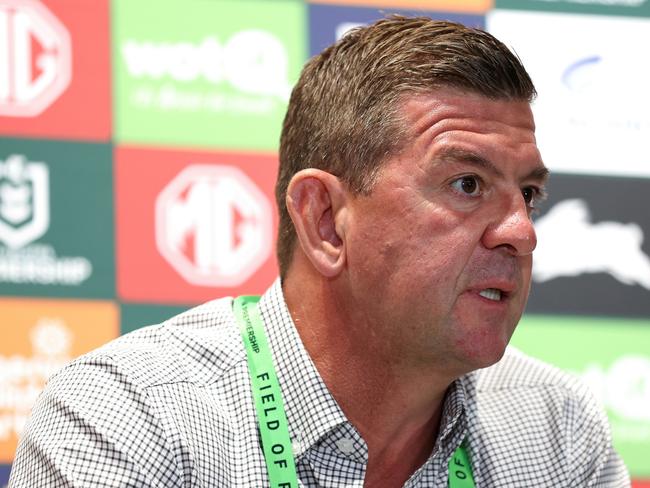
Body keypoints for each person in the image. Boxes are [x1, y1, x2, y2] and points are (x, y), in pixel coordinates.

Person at [10, 16, 629, 488]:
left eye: (527, 193)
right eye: (467, 184)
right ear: (325, 221)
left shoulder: (556, 429)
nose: (521, 231)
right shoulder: (129, 420)